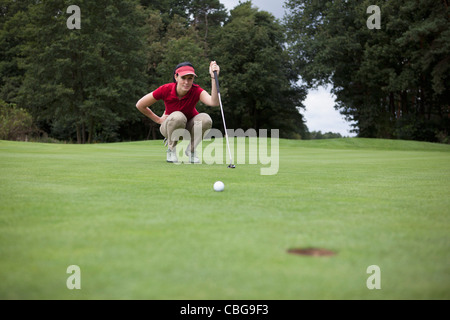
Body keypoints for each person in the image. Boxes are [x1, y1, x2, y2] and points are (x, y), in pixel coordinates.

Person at [136, 61, 220, 163]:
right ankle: (171, 150)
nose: (186, 82)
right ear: (176, 77)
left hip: (189, 129)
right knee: (178, 116)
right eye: (183, 78)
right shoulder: (166, 89)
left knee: (205, 119)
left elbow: (214, 102)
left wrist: (213, 77)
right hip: (169, 127)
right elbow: (140, 105)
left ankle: (191, 151)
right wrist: (158, 120)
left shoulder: (196, 90)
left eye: (190, 78)